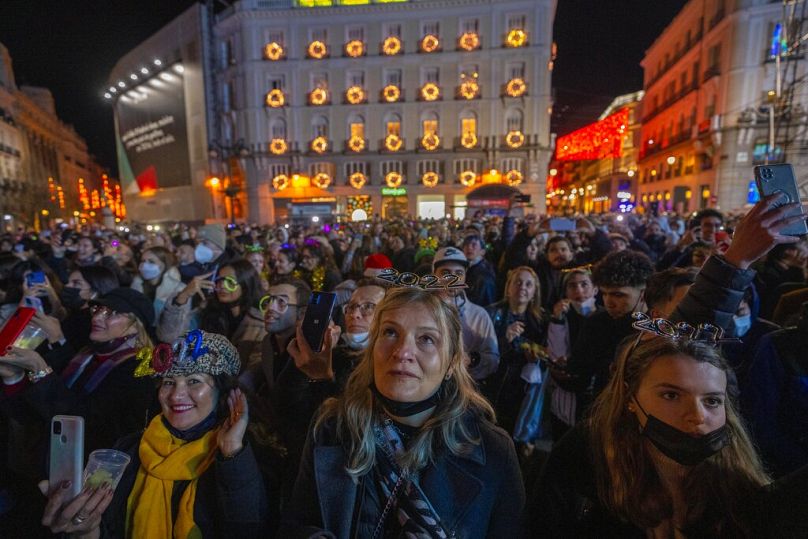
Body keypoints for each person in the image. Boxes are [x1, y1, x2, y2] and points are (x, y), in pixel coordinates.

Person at [281, 287, 525, 538]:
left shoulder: (493, 451)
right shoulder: (332, 427)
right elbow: (297, 522)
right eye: (390, 332)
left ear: (452, 363)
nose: (403, 352)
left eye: (427, 339)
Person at [530, 334, 808, 538]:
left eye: (712, 401)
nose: (697, 416)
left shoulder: (748, 501)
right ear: (629, 398)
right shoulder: (585, 465)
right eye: (671, 395)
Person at [41, 331, 274, 538]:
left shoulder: (245, 455)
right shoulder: (128, 450)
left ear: (222, 392)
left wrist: (232, 453)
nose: (175, 395)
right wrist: (86, 528)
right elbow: (108, 528)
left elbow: (248, 530)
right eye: (169, 382)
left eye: (194, 381)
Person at [0, 287, 156, 455]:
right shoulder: (86, 354)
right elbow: (38, 412)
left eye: (111, 313)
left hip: (87, 466)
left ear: (136, 325)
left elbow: (82, 421)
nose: (97, 317)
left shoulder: (137, 369)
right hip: (48, 457)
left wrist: (40, 368)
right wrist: (13, 378)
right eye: (97, 309)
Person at [563, 250, 654, 416]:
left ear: (644, 294)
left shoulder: (657, 329)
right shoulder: (596, 323)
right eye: (604, 294)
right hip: (604, 413)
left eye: (618, 295)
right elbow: (580, 374)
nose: (609, 302)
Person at [159, 260, 266, 368]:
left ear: (245, 284)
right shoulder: (208, 311)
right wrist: (183, 296)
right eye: (219, 280)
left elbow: (255, 369)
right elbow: (168, 336)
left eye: (230, 281)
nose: (222, 286)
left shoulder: (260, 322)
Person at [485, 266, 548, 435]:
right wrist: (505, 339)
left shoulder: (541, 320)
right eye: (518, 282)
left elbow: (547, 356)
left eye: (528, 284)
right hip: (494, 388)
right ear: (509, 287)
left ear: (534, 292)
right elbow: (481, 354)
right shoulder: (491, 314)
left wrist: (537, 359)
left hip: (523, 392)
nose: (523, 287)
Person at [432, 246, 500, 381]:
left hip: (463, 390)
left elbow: (493, 360)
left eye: (458, 273)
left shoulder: (479, 315)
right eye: (445, 272)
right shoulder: (419, 311)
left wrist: (472, 359)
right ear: (435, 275)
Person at [131, 246, 185, 322]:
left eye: (151, 262)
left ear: (165, 264)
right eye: (143, 261)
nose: (144, 265)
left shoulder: (177, 289)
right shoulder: (137, 284)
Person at [463, 234, 497, 307]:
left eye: (474, 245)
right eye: (466, 244)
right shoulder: (467, 267)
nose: (469, 247)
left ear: (482, 251)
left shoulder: (484, 274)